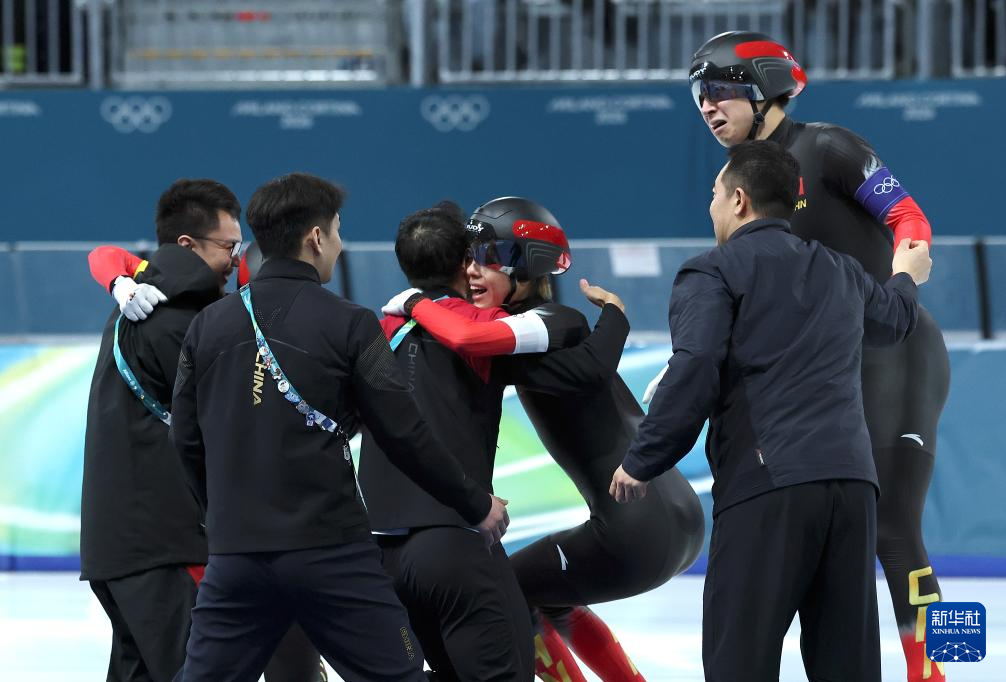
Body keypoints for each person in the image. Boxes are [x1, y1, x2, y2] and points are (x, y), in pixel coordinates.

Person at [609, 140, 932, 682]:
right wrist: (905, 276)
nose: (710, 205)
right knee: (848, 665)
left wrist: (643, 460)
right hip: (853, 488)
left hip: (768, 484)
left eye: (715, 194)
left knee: (740, 660)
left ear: (739, 199)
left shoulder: (711, 272)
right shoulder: (842, 269)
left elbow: (696, 367)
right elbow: (894, 321)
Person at [168, 173, 508, 682]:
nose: (340, 245)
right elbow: (404, 434)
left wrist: (223, 520)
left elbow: (185, 439)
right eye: (338, 231)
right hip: (333, 557)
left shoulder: (206, 326)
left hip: (235, 558)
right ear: (316, 237)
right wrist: (475, 503)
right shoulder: (352, 323)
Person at [687, 31, 951, 681]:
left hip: (895, 345)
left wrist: (903, 276)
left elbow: (908, 216)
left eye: (718, 90)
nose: (707, 106)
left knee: (895, 528)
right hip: (830, 364)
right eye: (698, 96)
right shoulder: (741, 183)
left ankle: (943, 668)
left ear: (765, 88)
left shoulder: (826, 147)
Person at [382, 197, 705, 682]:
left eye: (488, 257)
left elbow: (475, 341)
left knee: (509, 590)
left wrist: (416, 303)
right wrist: (614, 316)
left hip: (637, 530)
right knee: (549, 594)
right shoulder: (553, 322)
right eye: (469, 257)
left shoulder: (532, 332)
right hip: (674, 516)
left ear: (528, 266)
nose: (471, 270)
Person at [80, 179, 242, 682]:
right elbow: (228, 423)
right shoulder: (185, 321)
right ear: (188, 244)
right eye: (229, 247)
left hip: (117, 545)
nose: (236, 261)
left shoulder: (133, 304)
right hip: (168, 544)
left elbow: (110, 256)